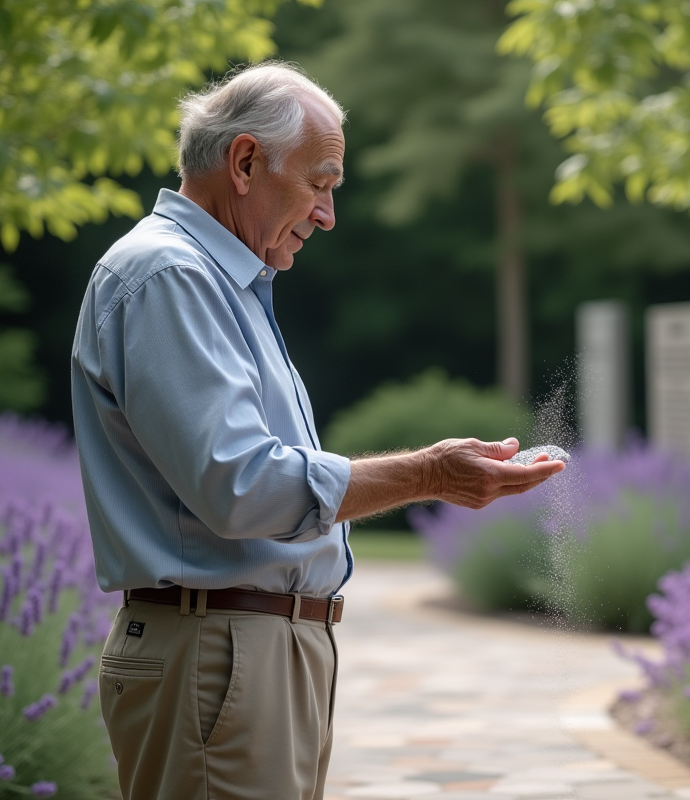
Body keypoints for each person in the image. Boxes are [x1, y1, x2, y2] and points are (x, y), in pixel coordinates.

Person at [70, 61, 564, 800]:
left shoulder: (218, 282)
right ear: (245, 162)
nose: (328, 214)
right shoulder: (169, 276)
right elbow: (243, 488)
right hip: (220, 653)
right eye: (320, 182)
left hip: (249, 652)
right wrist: (429, 474)